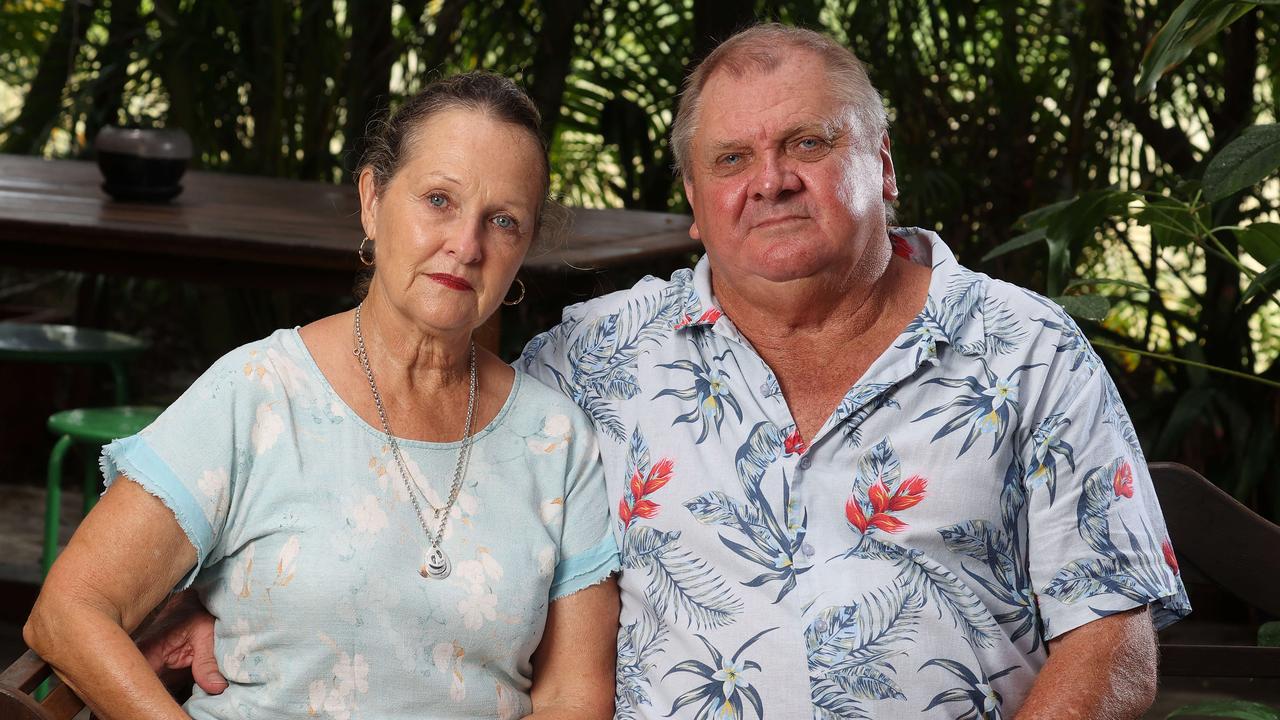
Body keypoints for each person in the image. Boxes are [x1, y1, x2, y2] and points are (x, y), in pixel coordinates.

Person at [130, 23, 1192, 720]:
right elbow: (418, 483)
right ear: (691, 204)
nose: (768, 181)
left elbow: (1109, 641)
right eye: (730, 160)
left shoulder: (1026, 350)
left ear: (881, 163)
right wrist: (226, 591)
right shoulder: (586, 362)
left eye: (808, 144)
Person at [23, 72, 620, 720]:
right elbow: (66, 613)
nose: (466, 246)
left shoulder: (556, 441)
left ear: (524, 246)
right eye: (439, 200)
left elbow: (572, 697)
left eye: (503, 221)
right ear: (372, 199)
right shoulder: (256, 397)